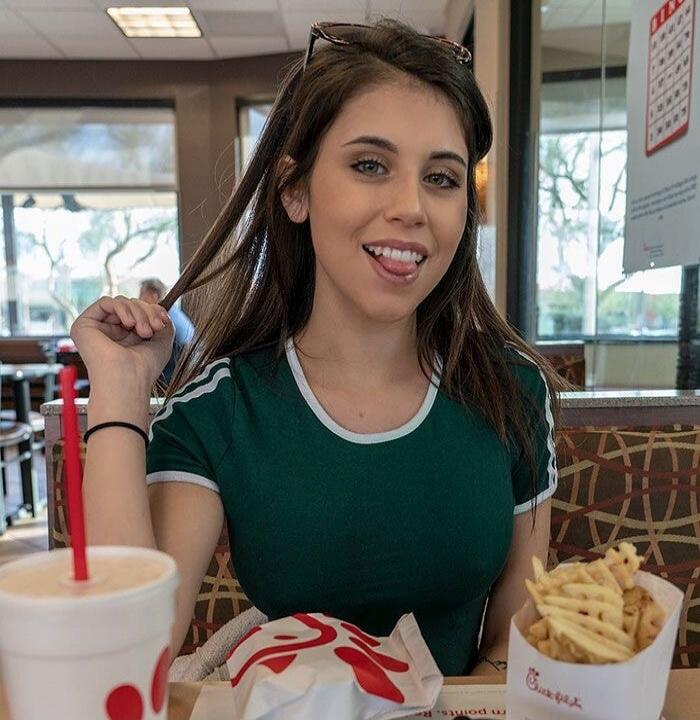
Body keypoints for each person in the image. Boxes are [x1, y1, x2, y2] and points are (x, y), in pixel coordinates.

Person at [70, 19, 566, 677]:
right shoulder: (219, 411)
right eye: (369, 165)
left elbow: (514, 638)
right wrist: (122, 389)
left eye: (441, 178)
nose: (411, 207)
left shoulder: (513, 389)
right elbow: (126, 659)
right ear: (295, 189)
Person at [138, 278, 195, 384]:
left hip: (172, 379)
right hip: (188, 373)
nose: (139, 299)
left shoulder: (160, 320)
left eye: (142, 294)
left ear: (154, 296)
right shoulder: (172, 312)